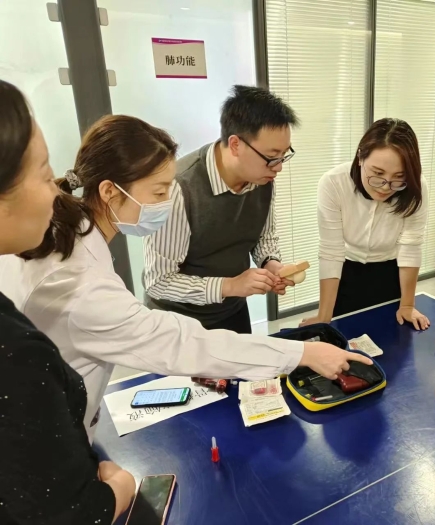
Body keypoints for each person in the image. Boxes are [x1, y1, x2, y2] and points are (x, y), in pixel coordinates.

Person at [0, 114, 371, 438]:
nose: (167, 203)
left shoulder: (70, 234)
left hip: (62, 415)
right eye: (159, 192)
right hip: (49, 433)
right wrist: (303, 352)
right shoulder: (79, 285)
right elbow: (183, 343)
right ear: (110, 192)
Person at [0, 80, 135, 524]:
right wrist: (118, 490)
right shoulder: (18, 353)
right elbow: (67, 513)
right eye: (44, 175)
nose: (56, 190)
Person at [143, 85, 297, 333]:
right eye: (272, 156)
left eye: (283, 155)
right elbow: (159, 281)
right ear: (235, 144)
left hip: (231, 310)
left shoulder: (262, 177)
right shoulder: (178, 188)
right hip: (177, 321)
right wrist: (230, 285)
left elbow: (263, 236)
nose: (278, 167)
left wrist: (271, 264)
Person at [300, 118, 430, 330]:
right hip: (346, 272)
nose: (386, 187)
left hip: (391, 272)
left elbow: (410, 245)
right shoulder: (334, 183)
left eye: (399, 177)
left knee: (393, 338)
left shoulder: (416, 187)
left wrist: (407, 305)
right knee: (343, 339)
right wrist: (324, 316)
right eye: (377, 174)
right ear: (360, 157)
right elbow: (332, 251)